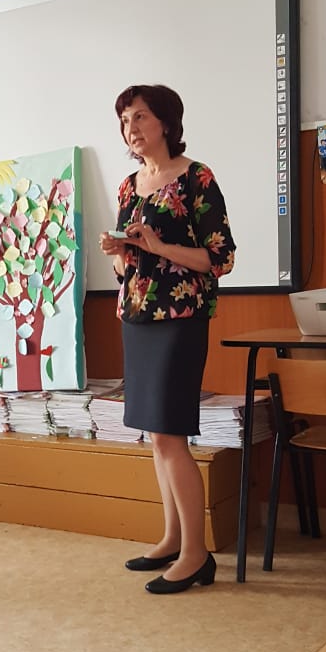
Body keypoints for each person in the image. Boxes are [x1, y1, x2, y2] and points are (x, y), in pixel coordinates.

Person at [99, 84, 236, 594]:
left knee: (171, 435)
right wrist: (120, 252)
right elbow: (126, 268)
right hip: (137, 316)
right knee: (156, 435)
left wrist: (159, 246)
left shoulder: (197, 178)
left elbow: (220, 258)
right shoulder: (129, 186)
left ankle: (198, 555)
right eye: (124, 120)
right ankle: (173, 538)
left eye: (139, 117)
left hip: (180, 316)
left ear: (165, 122)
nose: (130, 128)